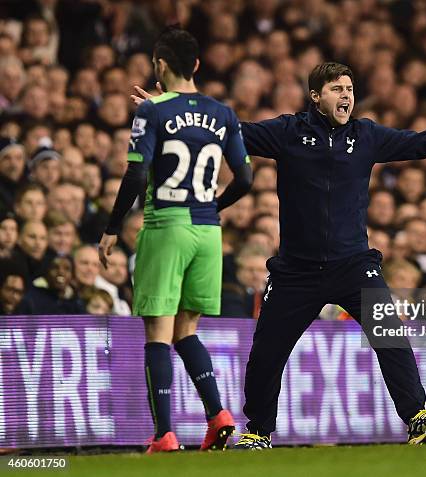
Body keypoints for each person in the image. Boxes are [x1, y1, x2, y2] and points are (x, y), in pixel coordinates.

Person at [134, 61, 426, 449]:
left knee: (389, 333)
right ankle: (258, 431)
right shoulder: (288, 132)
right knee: (267, 353)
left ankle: (417, 417)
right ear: (315, 96)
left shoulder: (368, 136)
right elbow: (227, 131)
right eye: (338, 89)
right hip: (296, 271)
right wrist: (164, 110)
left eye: (350, 90)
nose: (347, 96)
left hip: (354, 264)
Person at [99, 27, 253, 454]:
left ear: (160, 65)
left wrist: (112, 227)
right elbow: (245, 178)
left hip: (166, 226)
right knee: (187, 330)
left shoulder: (152, 111)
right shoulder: (223, 113)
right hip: (208, 232)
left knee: (158, 333)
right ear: (198, 66)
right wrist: (213, 207)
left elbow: (135, 173)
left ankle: (164, 434)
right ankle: (218, 415)